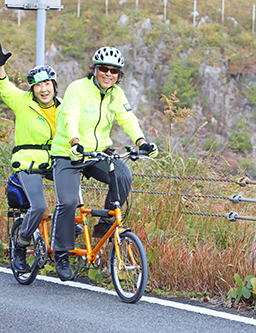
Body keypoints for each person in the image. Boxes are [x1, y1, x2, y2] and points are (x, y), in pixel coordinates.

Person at [50, 46, 158, 281]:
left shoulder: (116, 94)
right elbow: (70, 116)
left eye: (114, 71)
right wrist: (74, 142)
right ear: (95, 70)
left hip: (97, 153)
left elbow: (127, 118)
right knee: (68, 201)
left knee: (123, 175)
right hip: (68, 152)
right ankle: (61, 252)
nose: (108, 74)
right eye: (104, 69)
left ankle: (105, 222)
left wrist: (141, 141)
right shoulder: (78, 88)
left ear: (119, 75)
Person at [0, 40, 60, 273]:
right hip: (28, 162)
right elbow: (6, 88)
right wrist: (0, 67)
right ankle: (21, 245)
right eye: (38, 86)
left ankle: (62, 234)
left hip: (55, 161)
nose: (44, 89)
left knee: (72, 201)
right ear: (32, 89)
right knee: (39, 206)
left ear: (54, 85)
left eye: (47, 83)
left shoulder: (64, 107)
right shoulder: (23, 102)